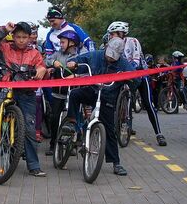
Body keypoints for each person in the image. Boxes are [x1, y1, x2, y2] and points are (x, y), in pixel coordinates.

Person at [64, 37, 138, 176]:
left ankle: (116, 163)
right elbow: (78, 61)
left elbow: (136, 80)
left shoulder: (123, 64)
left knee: (109, 130)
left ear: (120, 55)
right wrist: (73, 63)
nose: (110, 58)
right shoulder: (95, 55)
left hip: (107, 98)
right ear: (106, 48)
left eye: (114, 57)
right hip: (92, 91)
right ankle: (72, 124)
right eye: (109, 55)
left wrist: (129, 78)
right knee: (74, 94)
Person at [0, 21, 47, 177]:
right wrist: (3, 29)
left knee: (29, 128)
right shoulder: (5, 48)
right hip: (8, 90)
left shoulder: (35, 53)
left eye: (24, 37)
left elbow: (42, 68)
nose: (21, 40)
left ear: (30, 38)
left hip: (27, 94)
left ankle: (34, 165)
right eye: (18, 36)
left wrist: (41, 69)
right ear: (12, 36)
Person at [107, 21, 167, 147]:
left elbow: (135, 60)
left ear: (121, 34)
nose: (111, 36)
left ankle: (158, 133)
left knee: (148, 103)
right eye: (110, 34)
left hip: (139, 73)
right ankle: (125, 124)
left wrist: (128, 69)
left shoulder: (132, 41)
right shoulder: (111, 44)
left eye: (113, 34)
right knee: (117, 97)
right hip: (124, 74)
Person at [44, 30, 82, 155]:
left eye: (63, 42)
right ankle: (53, 144)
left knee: (74, 119)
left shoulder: (81, 55)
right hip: (57, 93)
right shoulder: (57, 54)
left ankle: (74, 143)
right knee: (54, 118)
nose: (60, 44)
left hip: (73, 94)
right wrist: (53, 62)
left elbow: (87, 70)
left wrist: (76, 74)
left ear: (72, 43)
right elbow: (45, 60)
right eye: (60, 42)